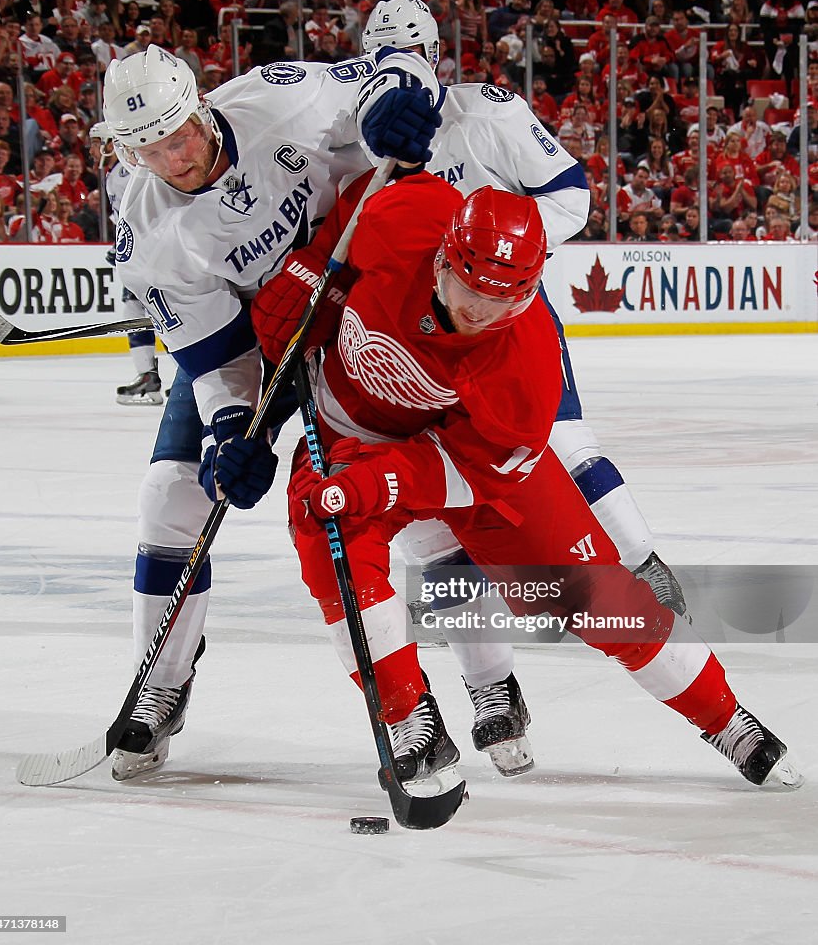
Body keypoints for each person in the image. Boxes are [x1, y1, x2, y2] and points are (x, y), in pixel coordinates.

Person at [252, 173, 802, 795]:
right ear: (443, 256)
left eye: (503, 299)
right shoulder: (408, 210)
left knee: (602, 598)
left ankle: (726, 718)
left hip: (459, 466)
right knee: (330, 547)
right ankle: (410, 717)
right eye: (467, 286)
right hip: (352, 429)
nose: (477, 311)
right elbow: (353, 209)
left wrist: (379, 482)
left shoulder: (528, 364)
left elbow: (463, 474)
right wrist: (313, 277)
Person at [99, 43, 446, 781]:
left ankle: (481, 684)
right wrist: (232, 426)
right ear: (127, 153)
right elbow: (219, 355)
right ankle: (159, 679)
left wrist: (393, 102)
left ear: (201, 105)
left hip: (370, 308)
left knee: (412, 501)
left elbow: (398, 64)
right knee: (170, 497)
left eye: (182, 133)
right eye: (152, 150)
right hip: (273, 336)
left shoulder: (280, 99)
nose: (177, 157)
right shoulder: (148, 232)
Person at [358, 0, 688, 617]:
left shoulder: (488, 111)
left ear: (434, 59)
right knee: (423, 488)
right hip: (413, 336)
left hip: (508, 322)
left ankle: (642, 562)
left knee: (562, 441)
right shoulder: (353, 136)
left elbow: (569, 196)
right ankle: (492, 672)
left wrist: (495, 256)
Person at [90, 122, 159, 404]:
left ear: (110, 143)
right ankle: (150, 376)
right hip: (144, 252)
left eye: (95, 143)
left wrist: (128, 245)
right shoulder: (116, 173)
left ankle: (158, 376)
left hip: (152, 254)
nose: (92, 150)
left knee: (150, 310)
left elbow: (149, 214)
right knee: (137, 308)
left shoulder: (126, 172)